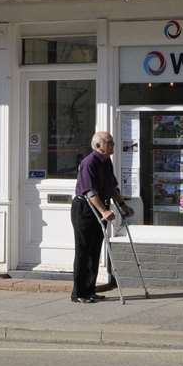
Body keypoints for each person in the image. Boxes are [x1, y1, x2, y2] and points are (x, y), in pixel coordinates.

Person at [70, 130, 125, 304]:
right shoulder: (89, 163)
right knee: (83, 250)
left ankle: (90, 290)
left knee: (95, 250)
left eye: (112, 142)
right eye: (110, 142)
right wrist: (104, 211)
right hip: (85, 209)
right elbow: (90, 191)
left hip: (100, 207)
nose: (113, 145)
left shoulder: (106, 162)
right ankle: (79, 293)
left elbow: (112, 186)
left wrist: (123, 205)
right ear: (98, 145)